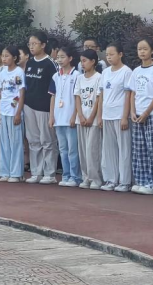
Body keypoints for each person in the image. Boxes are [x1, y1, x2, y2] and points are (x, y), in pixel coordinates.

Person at [129, 38, 153, 195]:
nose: (142, 52)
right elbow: (133, 92)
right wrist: (132, 111)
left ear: (152, 51)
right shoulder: (136, 71)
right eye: (139, 49)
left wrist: (146, 113)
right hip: (137, 114)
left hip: (152, 114)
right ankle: (142, 180)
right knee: (139, 149)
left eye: (145, 49)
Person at [24, 31, 59, 184]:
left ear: (43, 45)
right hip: (29, 106)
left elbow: (55, 87)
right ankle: (36, 172)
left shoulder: (50, 63)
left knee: (47, 140)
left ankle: (49, 173)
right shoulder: (30, 63)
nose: (31, 47)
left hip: (44, 107)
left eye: (34, 44)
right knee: (33, 140)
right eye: (30, 44)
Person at [97, 42, 133, 192]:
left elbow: (128, 95)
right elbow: (101, 95)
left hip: (120, 115)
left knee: (124, 149)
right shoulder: (105, 72)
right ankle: (111, 179)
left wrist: (125, 117)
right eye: (107, 55)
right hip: (107, 115)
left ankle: (125, 181)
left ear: (120, 54)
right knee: (109, 149)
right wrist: (100, 116)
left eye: (112, 54)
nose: (109, 57)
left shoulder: (126, 72)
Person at [48, 46, 81, 187]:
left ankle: (75, 176)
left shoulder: (77, 75)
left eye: (62, 57)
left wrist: (74, 115)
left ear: (70, 58)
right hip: (58, 118)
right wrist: (51, 116)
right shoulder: (56, 76)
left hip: (70, 118)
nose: (59, 60)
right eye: (58, 57)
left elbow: (77, 98)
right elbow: (53, 97)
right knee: (63, 149)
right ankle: (66, 175)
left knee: (73, 149)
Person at [0, 46, 26, 182]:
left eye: (7, 56)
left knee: (16, 142)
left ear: (14, 57)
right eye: (2, 56)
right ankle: (5, 171)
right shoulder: (2, 72)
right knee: (4, 142)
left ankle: (16, 173)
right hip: (3, 111)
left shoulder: (18, 72)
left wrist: (17, 112)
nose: (4, 58)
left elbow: (20, 93)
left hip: (13, 111)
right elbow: (0, 92)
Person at [75, 50, 103, 189]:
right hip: (81, 119)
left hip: (93, 120)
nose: (82, 63)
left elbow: (98, 98)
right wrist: (80, 116)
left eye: (85, 61)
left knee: (92, 150)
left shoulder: (99, 77)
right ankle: (85, 177)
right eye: (81, 61)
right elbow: (77, 97)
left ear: (93, 62)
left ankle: (96, 178)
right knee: (83, 150)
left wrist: (92, 117)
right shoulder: (80, 78)